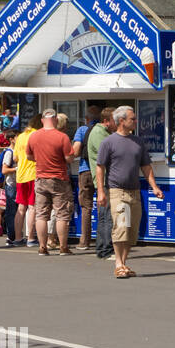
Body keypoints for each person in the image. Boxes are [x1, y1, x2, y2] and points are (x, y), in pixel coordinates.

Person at [94, 106, 163, 278]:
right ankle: (118, 264)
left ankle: (123, 264)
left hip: (135, 192)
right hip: (117, 191)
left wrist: (154, 187)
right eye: (132, 118)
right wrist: (101, 191)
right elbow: (99, 167)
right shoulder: (108, 142)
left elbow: (146, 167)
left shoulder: (138, 142)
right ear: (122, 121)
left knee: (131, 232)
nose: (135, 121)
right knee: (121, 227)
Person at [28, 109, 75, 256]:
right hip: (59, 178)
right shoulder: (62, 137)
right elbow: (69, 158)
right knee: (62, 214)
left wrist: (41, 159)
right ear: (55, 120)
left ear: (42, 120)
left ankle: (42, 246)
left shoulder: (33, 136)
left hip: (41, 178)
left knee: (41, 214)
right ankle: (63, 247)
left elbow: (29, 156)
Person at [86, 107, 117, 259]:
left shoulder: (104, 133)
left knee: (105, 216)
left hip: (106, 180)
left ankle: (102, 248)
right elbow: (106, 157)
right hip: (104, 181)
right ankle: (105, 249)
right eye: (115, 120)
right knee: (107, 216)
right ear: (106, 121)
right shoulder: (99, 133)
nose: (117, 122)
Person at [71, 105, 101, 250]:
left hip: (85, 171)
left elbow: (76, 151)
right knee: (103, 205)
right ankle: (103, 240)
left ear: (87, 119)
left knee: (86, 207)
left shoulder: (82, 130)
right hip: (102, 172)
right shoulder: (104, 131)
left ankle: (85, 241)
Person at [11, 118, 38, 246]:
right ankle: (31, 238)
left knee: (21, 208)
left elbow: (15, 157)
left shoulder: (20, 137)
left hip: (20, 175)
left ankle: (17, 238)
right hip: (33, 174)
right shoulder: (37, 135)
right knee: (32, 207)